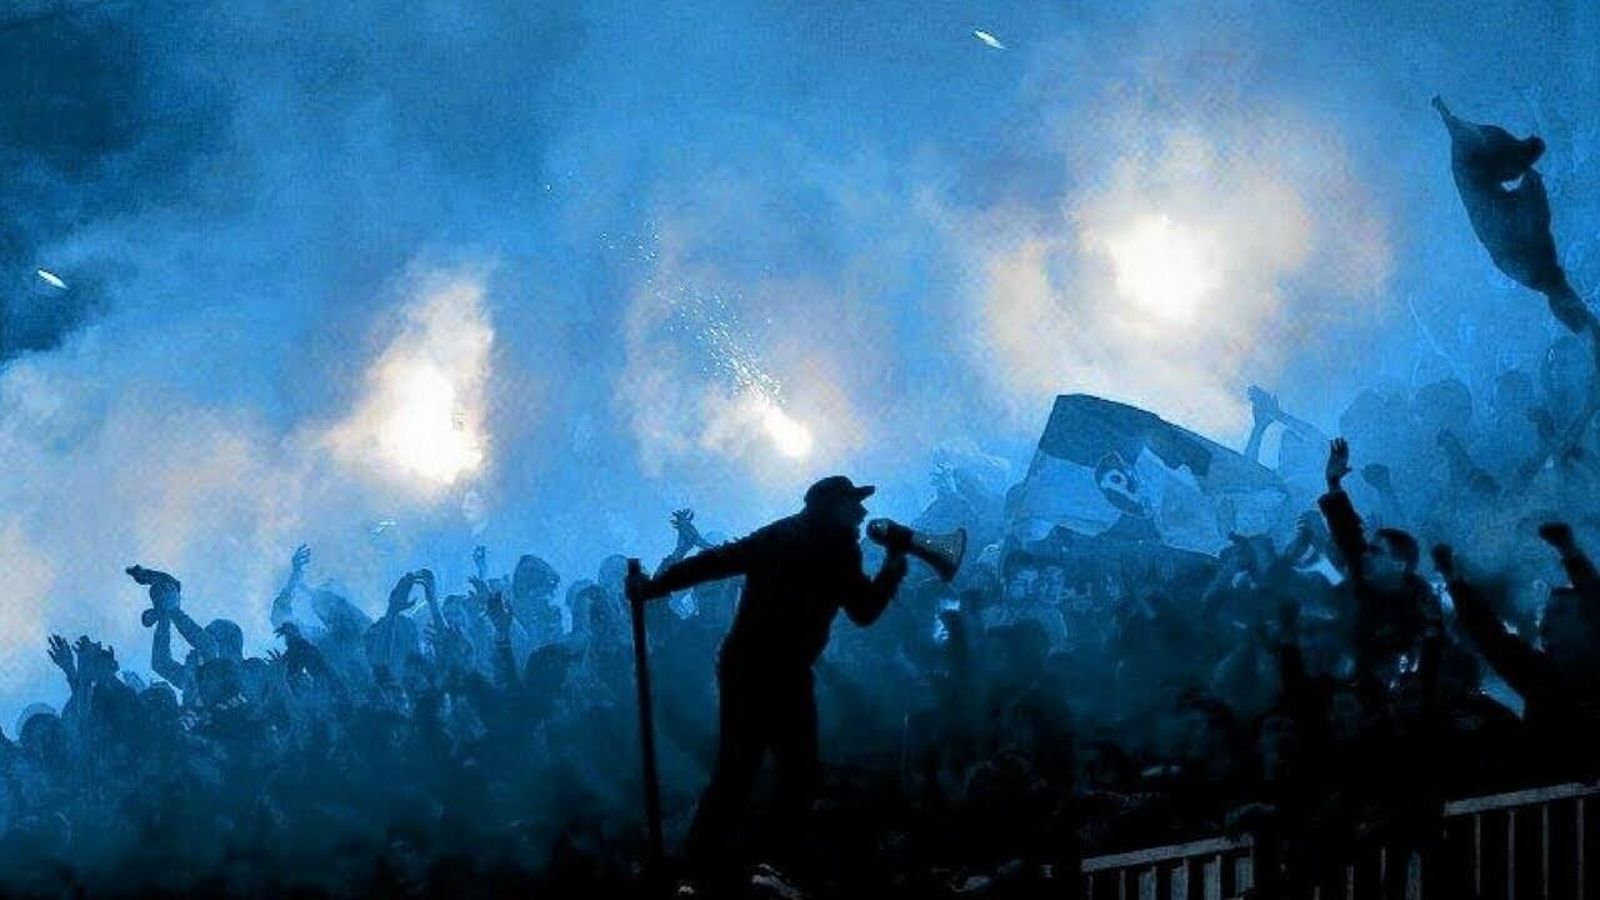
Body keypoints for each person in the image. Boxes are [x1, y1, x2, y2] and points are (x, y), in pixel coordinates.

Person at [626, 475, 910, 880]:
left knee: (750, 771)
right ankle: (757, 860)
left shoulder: (783, 535)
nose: (862, 512)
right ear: (832, 507)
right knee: (777, 771)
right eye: (853, 503)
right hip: (769, 669)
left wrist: (656, 588)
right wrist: (892, 569)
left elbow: (718, 561)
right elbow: (864, 612)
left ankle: (725, 859)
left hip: (758, 666)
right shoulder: (835, 549)